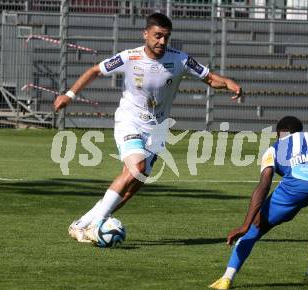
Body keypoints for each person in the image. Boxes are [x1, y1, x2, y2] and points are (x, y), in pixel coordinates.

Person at [53, 13, 242, 243]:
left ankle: (82, 223)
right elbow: (95, 71)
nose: (162, 42)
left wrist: (229, 83)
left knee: (134, 185)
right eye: (157, 36)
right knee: (136, 167)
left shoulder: (180, 59)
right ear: (146, 34)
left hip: (157, 129)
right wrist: (69, 95)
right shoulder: (129, 57)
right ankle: (97, 225)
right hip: (129, 121)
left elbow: (210, 78)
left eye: (166, 37)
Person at [209, 116, 308, 289]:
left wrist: (245, 225)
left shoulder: (275, 147)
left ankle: (227, 278)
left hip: (293, 188)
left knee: (255, 228)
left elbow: (263, 186)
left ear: (279, 134)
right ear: (300, 131)